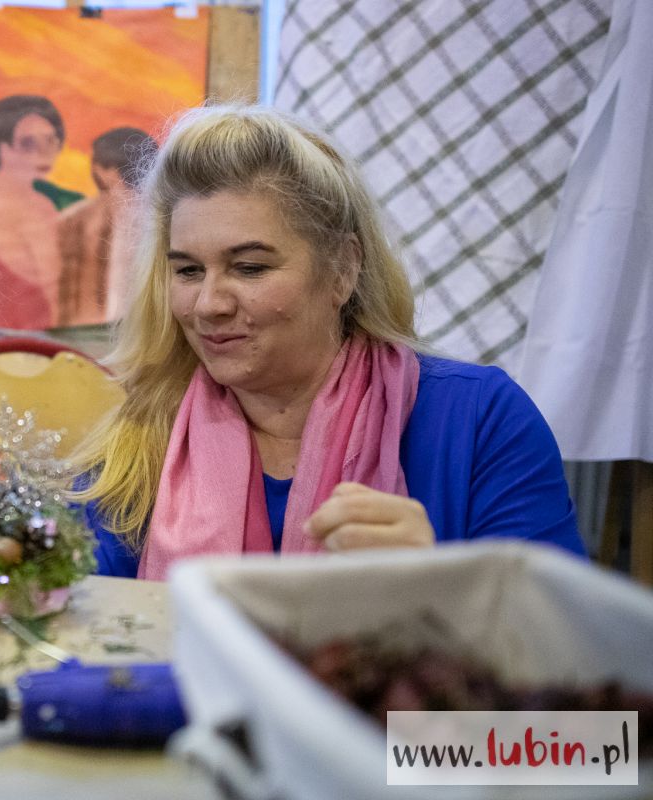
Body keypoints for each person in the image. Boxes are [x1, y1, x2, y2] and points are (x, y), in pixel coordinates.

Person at [71, 104, 584, 579]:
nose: (208, 304)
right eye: (187, 270)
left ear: (342, 269)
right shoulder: (141, 433)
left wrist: (441, 590)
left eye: (249, 268)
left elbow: (565, 650)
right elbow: (70, 632)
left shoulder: (480, 420)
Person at [0, 95, 65, 329]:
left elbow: (54, 293)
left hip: (37, 345)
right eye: (29, 143)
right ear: (2, 147)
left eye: (51, 141)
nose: (44, 153)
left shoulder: (43, 207)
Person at [58, 127, 155, 326]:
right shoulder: (167, 216)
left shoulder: (74, 218)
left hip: (87, 332)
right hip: (134, 330)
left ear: (105, 170)